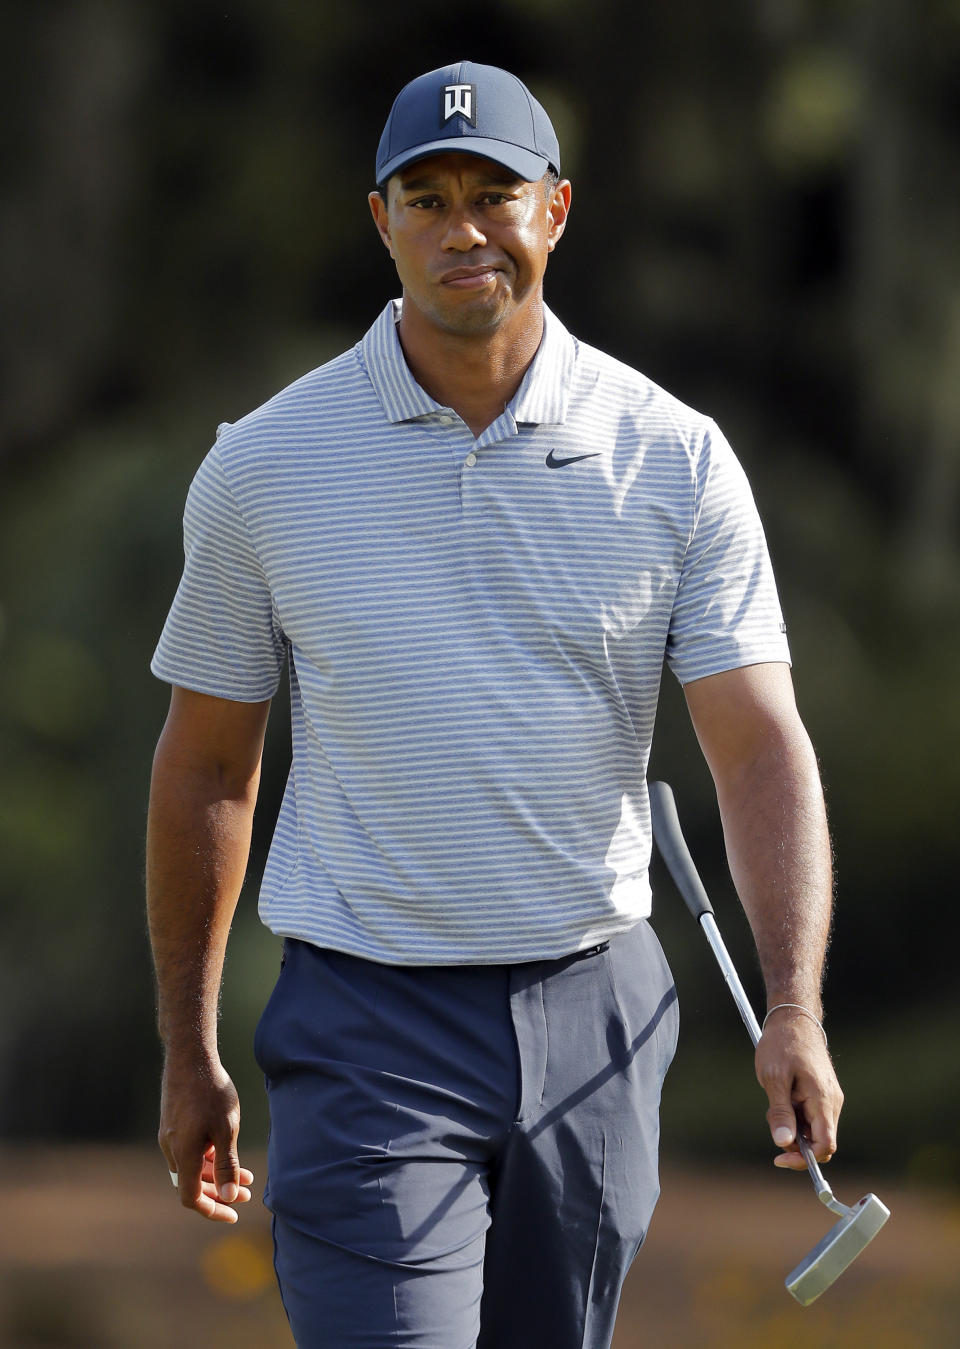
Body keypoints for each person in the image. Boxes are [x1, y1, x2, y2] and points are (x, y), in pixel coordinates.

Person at [147, 60, 843, 1349]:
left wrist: (792, 1003)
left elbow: (756, 749)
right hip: (368, 1020)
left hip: (598, 1011)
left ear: (556, 212)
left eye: (494, 195)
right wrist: (189, 1048)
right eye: (427, 198)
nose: (464, 230)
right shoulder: (265, 466)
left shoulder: (672, 455)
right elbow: (207, 768)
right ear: (382, 220)